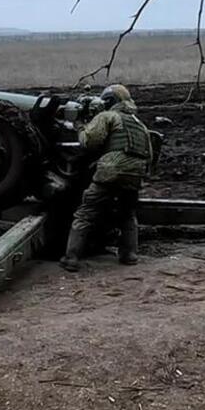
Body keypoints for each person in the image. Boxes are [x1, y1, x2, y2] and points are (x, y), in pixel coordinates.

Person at [60, 84, 152, 272]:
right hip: (135, 174)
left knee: (85, 213)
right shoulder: (139, 124)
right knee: (128, 214)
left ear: (109, 102)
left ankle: (71, 258)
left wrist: (79, 126)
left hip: (112, 171)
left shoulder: (107, 117)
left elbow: (89, 141)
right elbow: (149, 153)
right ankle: (129, 254)